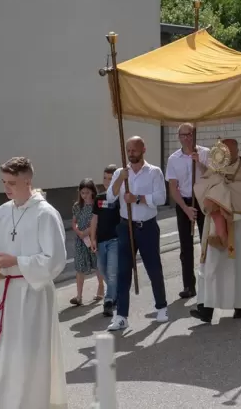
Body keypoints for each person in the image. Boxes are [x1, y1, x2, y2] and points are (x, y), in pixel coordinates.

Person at [0, 157, 67, 409]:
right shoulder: (2, 211)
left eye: (11, 182)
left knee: (26, 361)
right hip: (2, 294)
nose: (6, 188)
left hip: (31, 295)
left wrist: (16, 261)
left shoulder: (46, 214)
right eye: (3, 182)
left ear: (27, 181)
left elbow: (54, 260)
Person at [190, 139, 241, 323]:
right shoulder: (215, 170)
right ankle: (205, 308)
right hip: (214, 226)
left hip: (238, 229)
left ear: (237, 152)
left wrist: (230, 213)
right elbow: (204, 188)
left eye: (229, 152)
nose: (225, 155)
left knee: (238, 269)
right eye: (222, 151)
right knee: (210, 267)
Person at [106, 136, 169, 332]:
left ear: (143, 149)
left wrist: (138, 198)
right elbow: (110, 197)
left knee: (153, 269)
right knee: (123, 271)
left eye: (134, 149)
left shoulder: (154, 172)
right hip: (126, 227)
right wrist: (120, 181)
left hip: (147, 227)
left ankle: (161, 307)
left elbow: (161, 198)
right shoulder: (120, 172)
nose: (131, 153)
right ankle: (121, 316)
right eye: (128, 150)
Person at [165, 122, 209, 300]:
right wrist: (186, 208)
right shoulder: (173, 159)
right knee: (185, 245)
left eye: (189, 134)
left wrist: (199, 163)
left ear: (194, 135)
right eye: (183, 135)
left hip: (203, 200)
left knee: (206, 243)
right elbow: (173, 187)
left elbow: (213, 176)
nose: (187, 138)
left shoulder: (205, 153)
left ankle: (208, 283)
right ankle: (188, 285)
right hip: (184, 202)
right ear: (179, 137)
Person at [91, 164, 120, 317]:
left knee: (112, 271)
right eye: (105, 178)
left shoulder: (120, 197)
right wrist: (92, 238)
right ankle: (116, 293)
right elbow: (94, 219)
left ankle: (109, 301)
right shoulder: (99, 198)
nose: (107, 181)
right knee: (102, 269)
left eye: (111, 178)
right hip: (101, 240)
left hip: (115, 240)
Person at [70, 178, 104, 306]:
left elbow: (98, 222)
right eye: (82, 193)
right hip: (80, 241)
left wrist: (87, 232)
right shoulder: (77, 206)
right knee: (79, 267)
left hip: (93, 239)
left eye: (87, 193)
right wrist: (78, 231)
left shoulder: (97, 205)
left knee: (97, 265)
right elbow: (74, 221)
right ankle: (79, 296)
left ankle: (101, 287)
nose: (84, 195)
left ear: (93, 192)